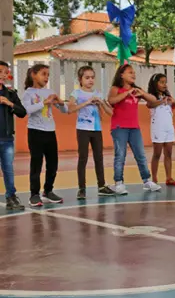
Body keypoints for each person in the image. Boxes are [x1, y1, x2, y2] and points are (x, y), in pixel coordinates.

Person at [108, 64, 161, 195]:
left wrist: (142, 93)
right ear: (121, 75)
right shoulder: (116, 89)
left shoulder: (136, 90)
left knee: (141, 155)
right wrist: (127, 93)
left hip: (134, 128)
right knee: (120, 155)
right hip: (119, 127)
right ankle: (119, 183)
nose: (133, 75)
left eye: (134, 73)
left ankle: (147, 181)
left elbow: (154, 101)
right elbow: (112, 101)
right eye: (130, 72)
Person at [22, 64, 67, 207]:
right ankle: (34, 194)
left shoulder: (50, 91)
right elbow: (26, 110)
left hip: (50, 132)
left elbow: (65, 110)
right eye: (43, 74)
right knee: (36, 164)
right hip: (35, 132)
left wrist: (60, 102)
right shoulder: (28, 93)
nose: (46, 77)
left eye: (48, 74)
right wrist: (44, 102)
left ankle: (48, 191)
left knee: (53, 163)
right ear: (33, 75)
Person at [68, 66, 115, 199]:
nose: (90, 80)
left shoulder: (98, 93)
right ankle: (81, 188)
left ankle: (101, 185)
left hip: (96, 129)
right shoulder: (76, 93)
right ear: (80, 79)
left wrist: (100, 102)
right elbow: (70, 109)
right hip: (83, 129)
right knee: (83, 158)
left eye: (92, 77)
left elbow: (109, 112)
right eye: (87, 77)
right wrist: (87, 102)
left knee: (99, 157)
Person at [147, 73, 175, 185]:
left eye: (165, 82)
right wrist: (162, 101)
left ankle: (169, 177)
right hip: (158, 128)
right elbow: (150, 104)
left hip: (169, 127)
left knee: (168, 153)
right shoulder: (151, 96)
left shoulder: (168, 97)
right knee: (157, 153)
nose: (164, 85)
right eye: (161, 82)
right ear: (155, 83)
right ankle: (154, 178)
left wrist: (174, 102)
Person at [0, 61, 26, 210]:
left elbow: (22, 112)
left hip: (7, 139)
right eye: (0, 71)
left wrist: (10, 103)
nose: (3, 75)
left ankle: (11, 196)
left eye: (5, 72)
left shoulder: (10, 93)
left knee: (8, 169)